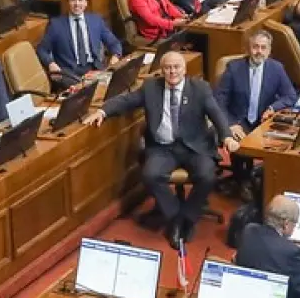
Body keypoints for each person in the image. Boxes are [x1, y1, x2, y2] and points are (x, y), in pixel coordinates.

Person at [83, 51, 238, 246]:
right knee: (150, 175)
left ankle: (187, 219)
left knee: (207, 176)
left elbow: (216, 113)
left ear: (184, 69)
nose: (172, 71)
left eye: (176, 67)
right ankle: (175, 219)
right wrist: (102, 111)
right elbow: (126, 101)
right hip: (163, 148)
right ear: (162, 70)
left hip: (194, 146)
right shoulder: (150, 88)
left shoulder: (200, 88)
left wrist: (227, 136)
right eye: (168, 68)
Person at [235, 195, 300, 298]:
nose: (294, 228)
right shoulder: (292, 251)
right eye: (295, 224)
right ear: (286, 224)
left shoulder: (249, 230)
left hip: (246, 297)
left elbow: (265, 259)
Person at [214, 30, 298, 138]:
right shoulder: (233, 68)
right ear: (248, 49)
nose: (259, 51)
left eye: (263, 48)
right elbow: (219, 101)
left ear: (269, 50)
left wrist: (273, 108)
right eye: (255, 47)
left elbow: (290, 96)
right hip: (238, 123)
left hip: (264, 122)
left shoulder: (277, 68)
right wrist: (230, 124)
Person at [36, 0, 121, 78]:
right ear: (67, 2)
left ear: (86, 3)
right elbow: (42, 49)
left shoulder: (96, 20)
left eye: (80, 0)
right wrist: (50, 64)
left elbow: (113, 42)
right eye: (73, 0)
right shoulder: (56, 24)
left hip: (93, 68)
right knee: (85, 88)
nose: (77, 4)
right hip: (68, 72)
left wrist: (115, 56)